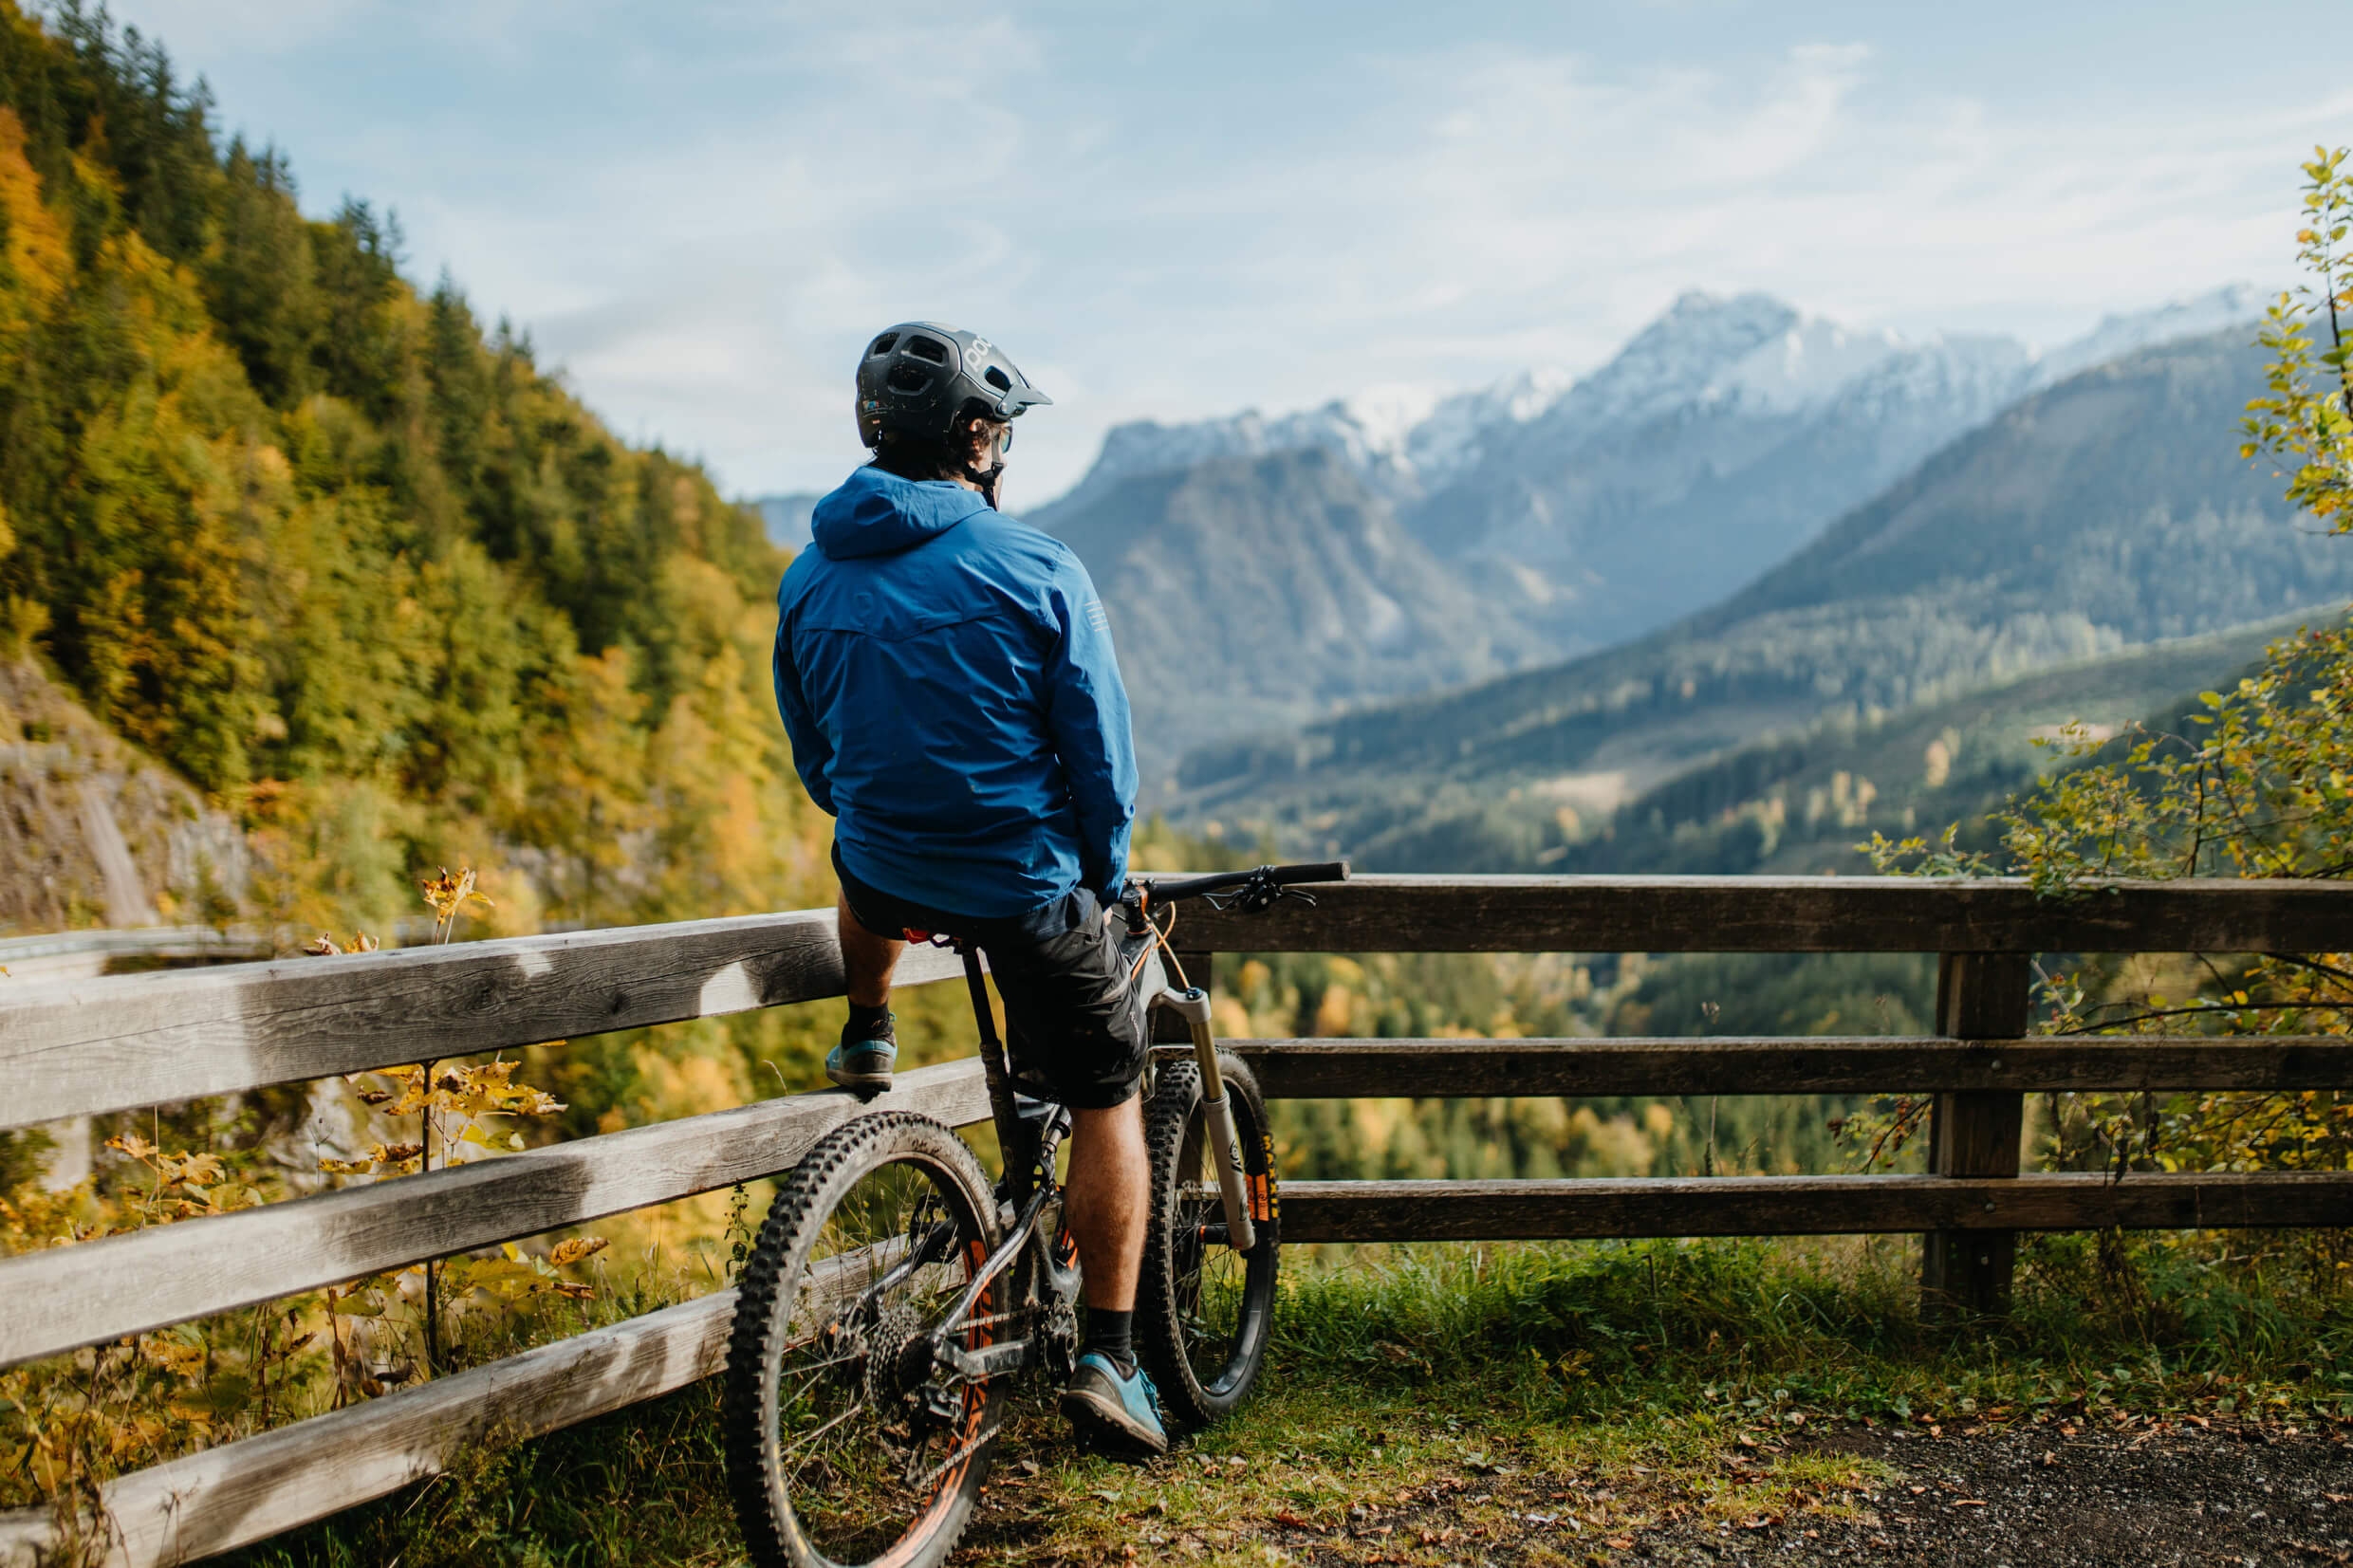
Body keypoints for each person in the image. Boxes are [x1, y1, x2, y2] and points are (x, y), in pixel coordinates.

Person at [770, 322, 1163, 1455]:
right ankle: (1108, 1357)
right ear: (977, 438)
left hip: (887, 873)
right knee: (1106, 1099)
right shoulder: (1038, 569)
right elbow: (1101, 762)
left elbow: (815, 762)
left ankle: (867, 1028)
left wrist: (886, 817)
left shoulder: (807, 576)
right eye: (999, 428)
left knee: (862, 861)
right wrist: (1104, 877)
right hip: (1024, 892)